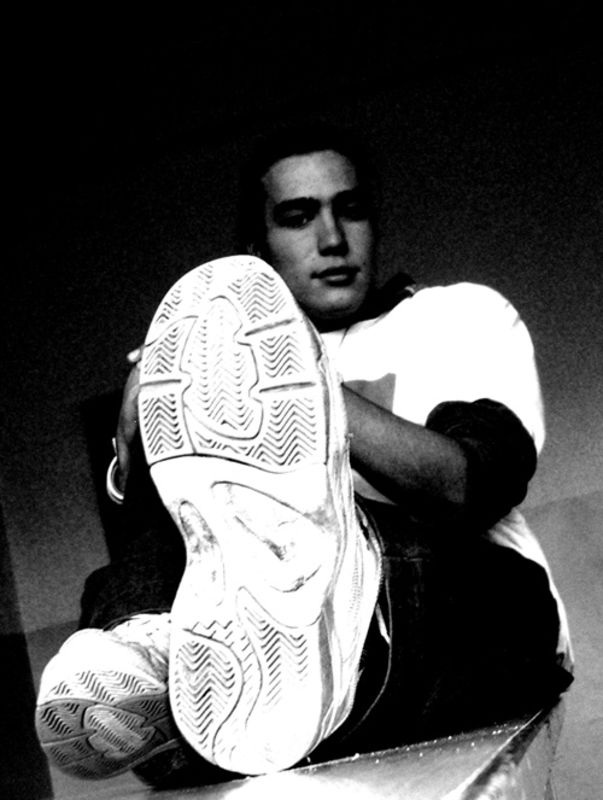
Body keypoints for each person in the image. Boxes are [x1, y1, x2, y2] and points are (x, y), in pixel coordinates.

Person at [35, 126, 573, 788]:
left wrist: (293, 375)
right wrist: (172, 400)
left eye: (350, 209)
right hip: (296, 689)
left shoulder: (459, 316)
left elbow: (470, 485)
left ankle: (224, 667)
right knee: (180, 547)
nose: (331, 238)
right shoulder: (216, 358)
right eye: (297, 216)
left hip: (468, 623)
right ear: (257, 246)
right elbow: (180, 539)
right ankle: (155, 661)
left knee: (344, 547)